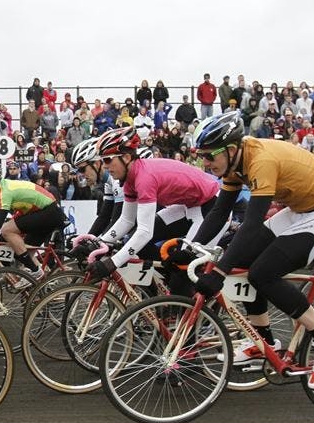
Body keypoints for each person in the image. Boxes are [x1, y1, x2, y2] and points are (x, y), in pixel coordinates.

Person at [185, 111, 314, 391]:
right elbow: (219, 211)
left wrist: (218, 271)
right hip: (302, 208)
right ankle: (263, 341)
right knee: (244, 259)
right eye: (201, 155)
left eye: (209, 155)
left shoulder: (261, 160)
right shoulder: (234, 163)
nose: (205, 162)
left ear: (229, 149)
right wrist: (190, 247)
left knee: (263, 273)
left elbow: (251, 225)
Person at [78, 126, 225, 296]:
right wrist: (98, 243)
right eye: (103, 161)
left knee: (182, 269)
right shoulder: (130, 178)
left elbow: (144, 231)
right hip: (189, 207)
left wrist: (112, 263)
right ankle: (166, 284)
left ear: (126, 157)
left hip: (212, 207)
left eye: (108, 160)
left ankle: (198, 314)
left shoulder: (144, 178)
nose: (105, 166)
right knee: (139, 244)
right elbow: (126, 220)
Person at [0, 163, 65, 279]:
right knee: (20, 253)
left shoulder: (5, 191)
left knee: (7, 230)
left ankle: (36, 271)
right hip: (44, 213)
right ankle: (41, 286)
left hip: (49, 212)